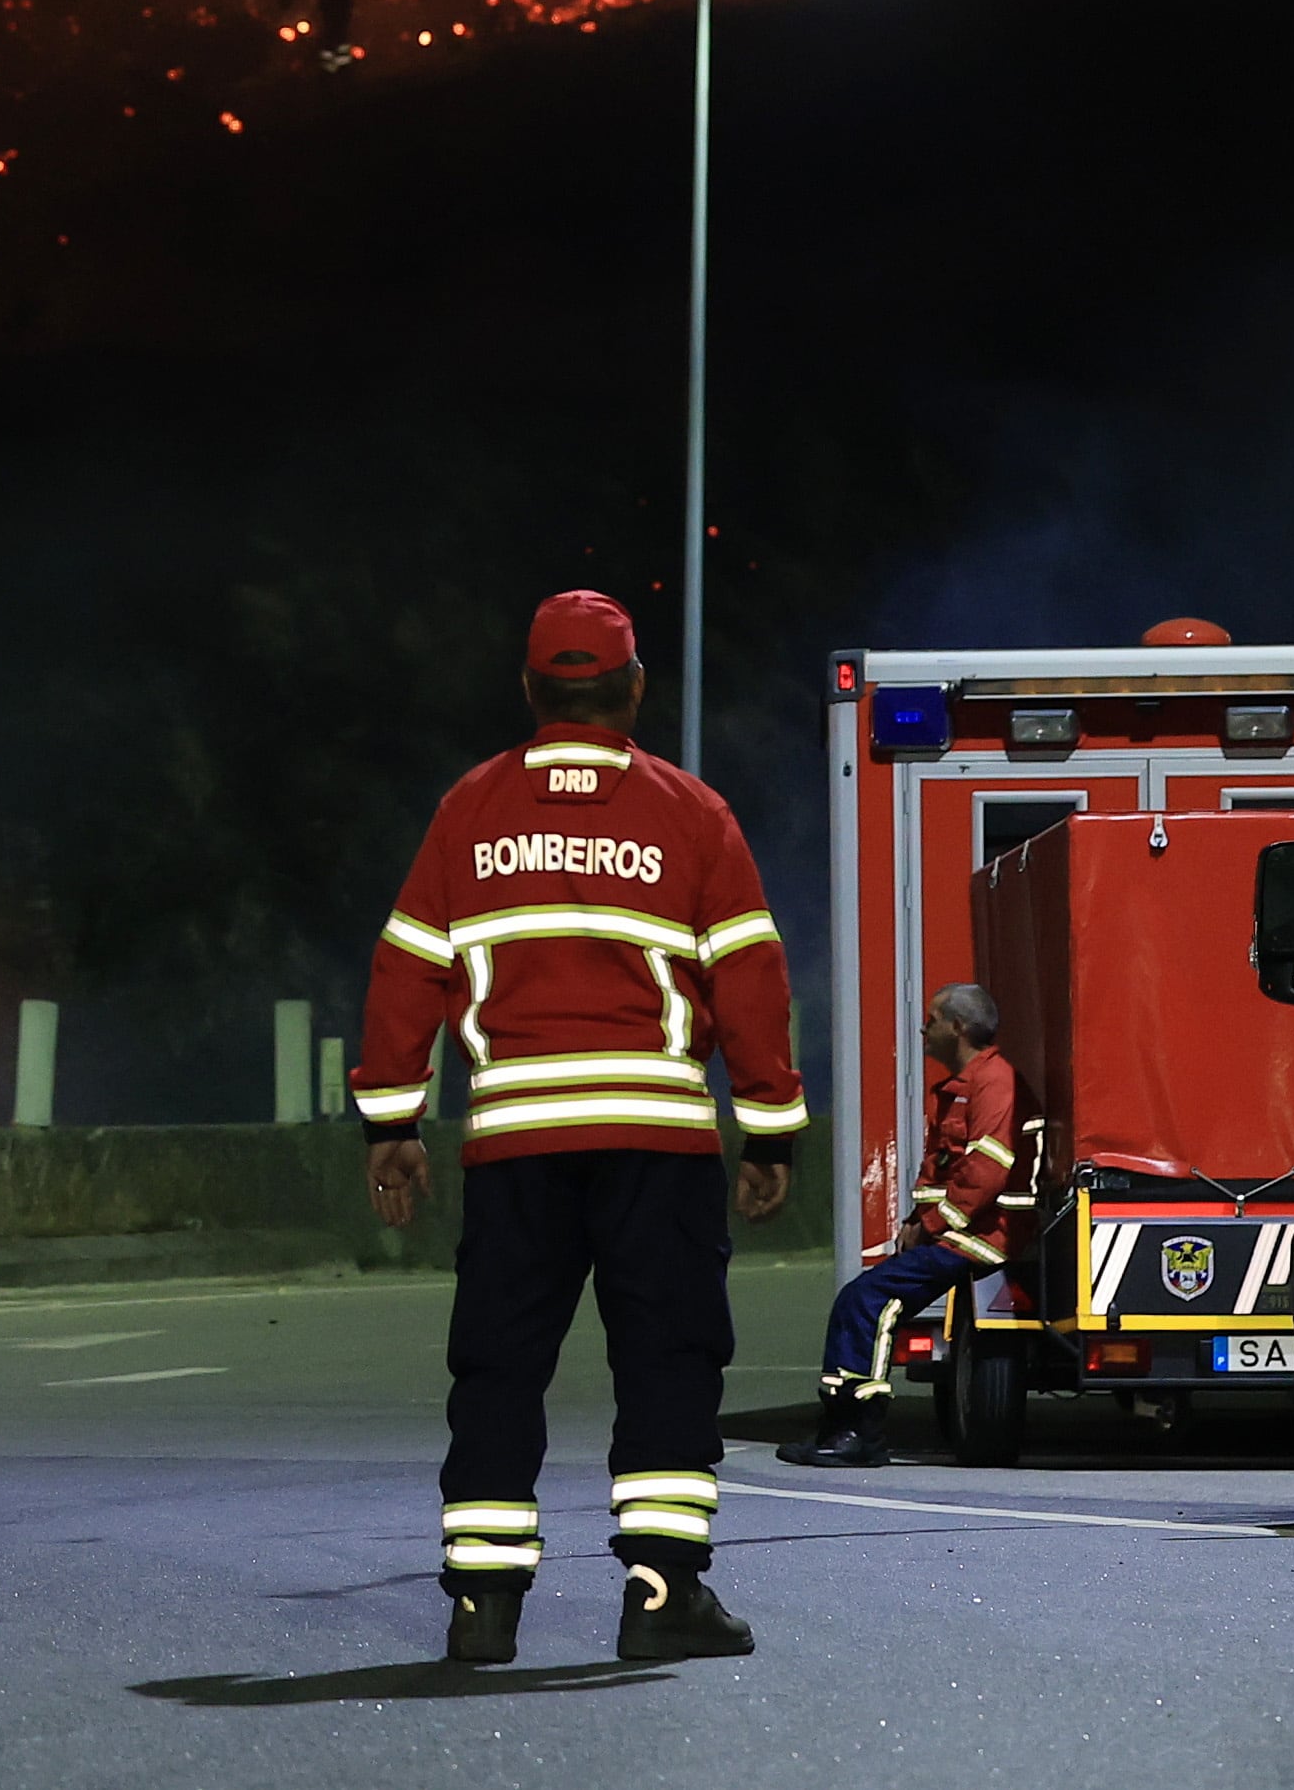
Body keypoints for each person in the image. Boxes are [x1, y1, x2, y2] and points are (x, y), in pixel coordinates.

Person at [356, 590, 807, 1666]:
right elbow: (751, 978)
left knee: (499, 1367)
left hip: (517, 1138)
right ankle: (661, 1596)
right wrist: (773, 1131)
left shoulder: (469, 809)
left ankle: (483, 1606)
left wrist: (391, 1121)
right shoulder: (692, 813)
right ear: (635, 689)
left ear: (530, 690)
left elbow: (407, 969)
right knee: (669, 1358)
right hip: (657, 1138)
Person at [798, 985, 1020, 1464]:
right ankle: (839, 1428)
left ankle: (859, 1433)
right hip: (956, 1236)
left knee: (867, 1301)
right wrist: (915, 1224)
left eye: (933, 1019)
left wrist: (932, 1226)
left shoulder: (993, 1081)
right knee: (859, 1300)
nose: (924, 1028)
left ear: (958, 1028)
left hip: (976, 1240)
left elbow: (987, 1170)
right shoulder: (971, 1085)